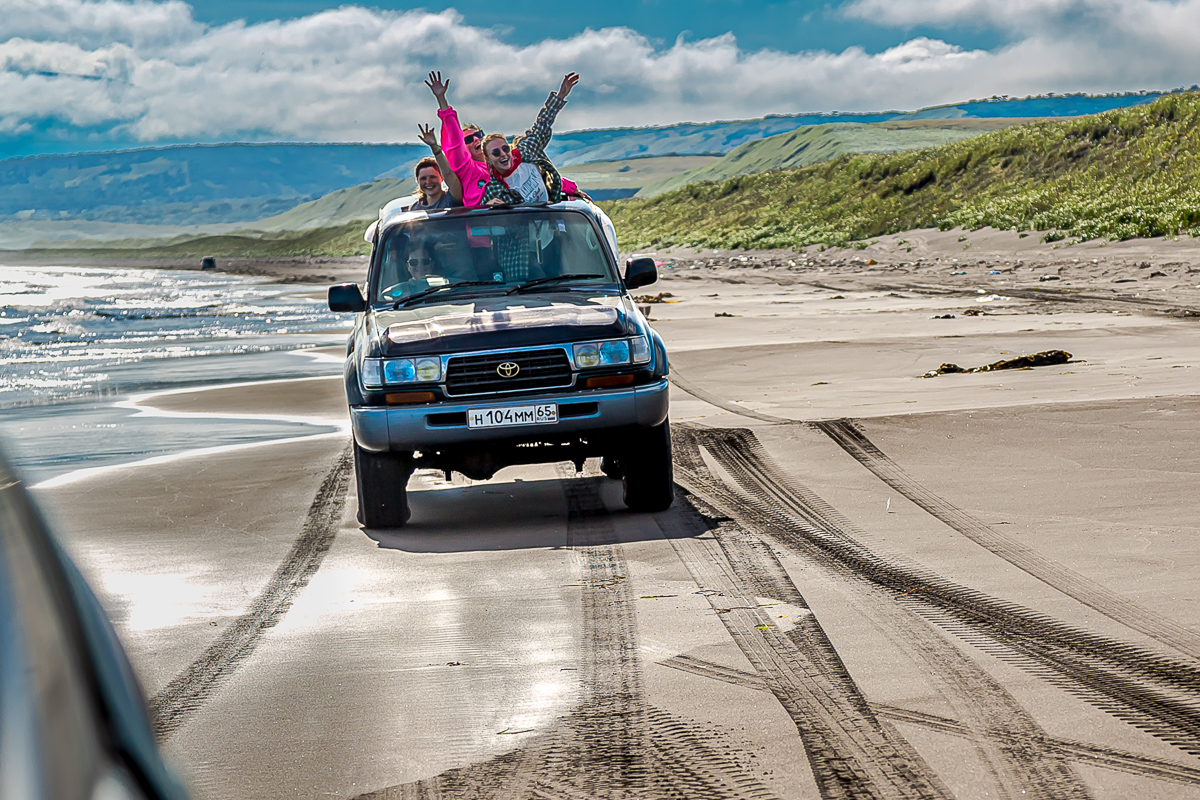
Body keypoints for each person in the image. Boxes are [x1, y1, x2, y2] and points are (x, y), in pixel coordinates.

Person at [426, 71, 586, 207]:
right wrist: (442, 102)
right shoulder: (470, 171)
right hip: (483, 235)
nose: (476, 140)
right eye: (468, 140)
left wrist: (571, 188)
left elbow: (532, 174)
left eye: (479, 135)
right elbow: (454, 141)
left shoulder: (514, 160)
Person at [481, 73, 579, 206]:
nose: (503, 154)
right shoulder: (495, 188)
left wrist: (560, 96)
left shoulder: (525, 152)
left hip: (551, 214)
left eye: (505, 149)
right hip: (525, 225)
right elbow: (485, 215)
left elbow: (542, 124)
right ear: (489, 160)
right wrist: (489, 207)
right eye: (496, 153)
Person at [415, 123, 463, 205]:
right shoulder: (415, 209)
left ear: (442, 178)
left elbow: (448, 173)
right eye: (423, 178)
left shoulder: (451, 198)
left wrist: (435, 147)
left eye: (433, 177)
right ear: (417, 181)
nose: (428, 182)